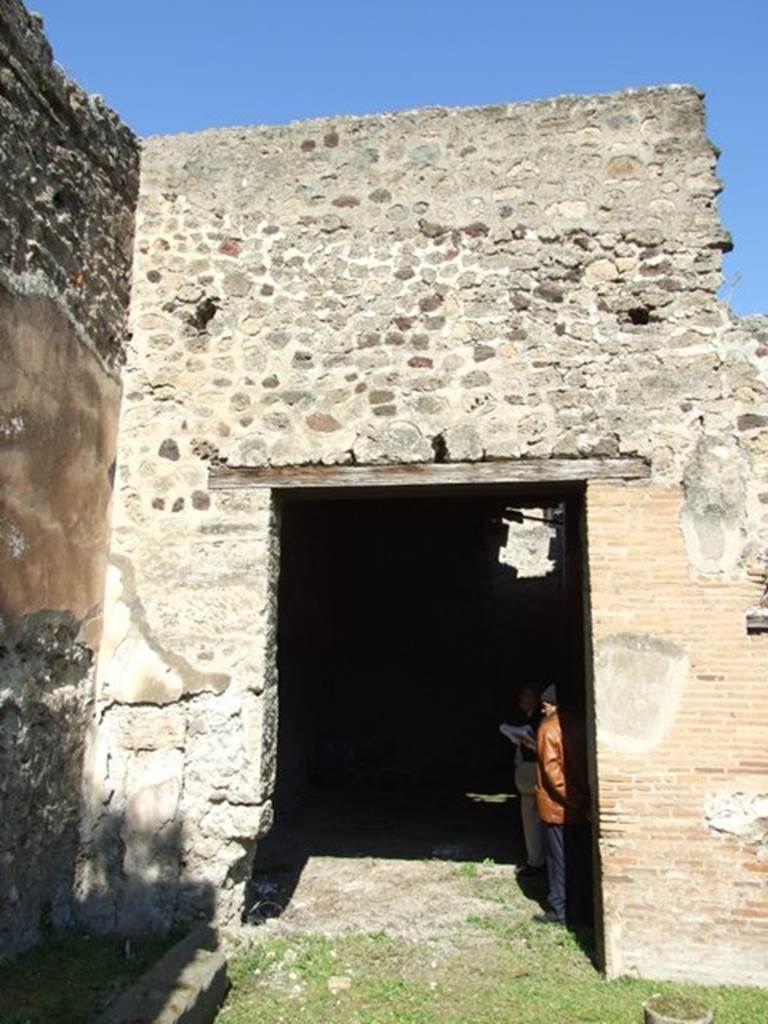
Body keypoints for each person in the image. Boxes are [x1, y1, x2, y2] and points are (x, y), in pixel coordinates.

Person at [533, 683, 591, 926]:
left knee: (559, 861)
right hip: (582, 806)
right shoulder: (585, 723)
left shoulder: (548, 729)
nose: (543, 709)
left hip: (560, 808)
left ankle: (561, 910)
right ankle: (584, 909)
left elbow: (552, 772)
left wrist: (574, 800)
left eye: (546, 704)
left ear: (556, 704)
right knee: (580, 860)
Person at [506, 686, 546, 877]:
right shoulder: (530, 717)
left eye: (526, 695)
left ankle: (536, 862)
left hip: (534, 773)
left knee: (533, 819)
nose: (521, 698)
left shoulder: (540, 719)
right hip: (527, 773)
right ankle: (536, 859)